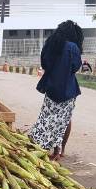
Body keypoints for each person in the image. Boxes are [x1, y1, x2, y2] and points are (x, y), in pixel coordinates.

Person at [29, 20, 83, 161]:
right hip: (68, 89)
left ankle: (40, 145)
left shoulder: (51, 45)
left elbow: (44, 63)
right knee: (64, 120)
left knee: (46, 117)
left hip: (51, 88)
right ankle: (60, 149)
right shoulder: (73, 47)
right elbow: (75, 67)